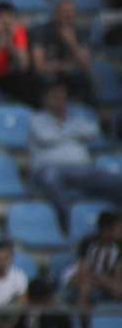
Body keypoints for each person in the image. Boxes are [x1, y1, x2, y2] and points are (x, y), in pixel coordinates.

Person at [28, 80, 122, 231]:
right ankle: (69, 221)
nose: (59, 102)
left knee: (117, 182)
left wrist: (62, 131)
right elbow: (46, 137)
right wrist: (73, 133)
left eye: (62, 97)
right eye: (55, 97)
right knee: (49, 178)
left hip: (82, 171)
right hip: (51, 169)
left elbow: (93, 130)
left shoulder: (75, 117)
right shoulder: (37, 119)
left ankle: (105, 216)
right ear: (46, 98)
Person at [29, 0, 95, 106]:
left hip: (66, 74)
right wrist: (62, 66)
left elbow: (86, 65)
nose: (68, 16)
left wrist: (72, 43)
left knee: (88, 81)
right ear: (55, 13)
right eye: (64, 12)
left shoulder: (77, 32)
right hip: (48, 74)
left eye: (71, 12)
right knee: (42, 80)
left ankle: (89, 115)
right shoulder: (41, 31)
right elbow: (39, 66)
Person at [64, 211, 122, 319]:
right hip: (79, 276)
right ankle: (79, 324)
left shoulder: (118, 247)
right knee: (85, 287)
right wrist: (103, 282)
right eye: (118, 227)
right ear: (107, 229)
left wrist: (115, 285)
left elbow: (118, 274)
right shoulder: (89, 243)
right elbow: (83, 274)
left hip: (104, 280)